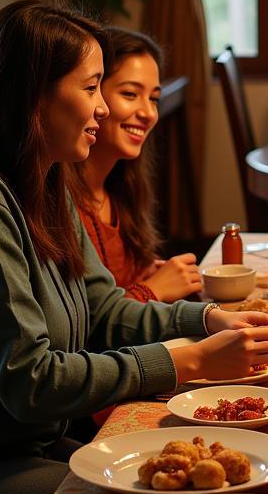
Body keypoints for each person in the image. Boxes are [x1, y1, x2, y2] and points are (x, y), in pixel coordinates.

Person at [0, 0, 268, 494]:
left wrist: (205, 319)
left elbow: (105, 311)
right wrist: (187, 361)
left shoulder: (45, 179)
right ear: (33, 94)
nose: (103, 108)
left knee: (221, 472)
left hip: (39, 449)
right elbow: (31, 382)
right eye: (92, 87)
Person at [69, 26, 201, 303]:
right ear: (94, 96)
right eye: (130, 94)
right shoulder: (62, 204)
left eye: (153, 98)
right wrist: (153, 289)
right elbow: (89, 326)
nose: (148, 113)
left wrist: (146, 274)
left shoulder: (121, 190)